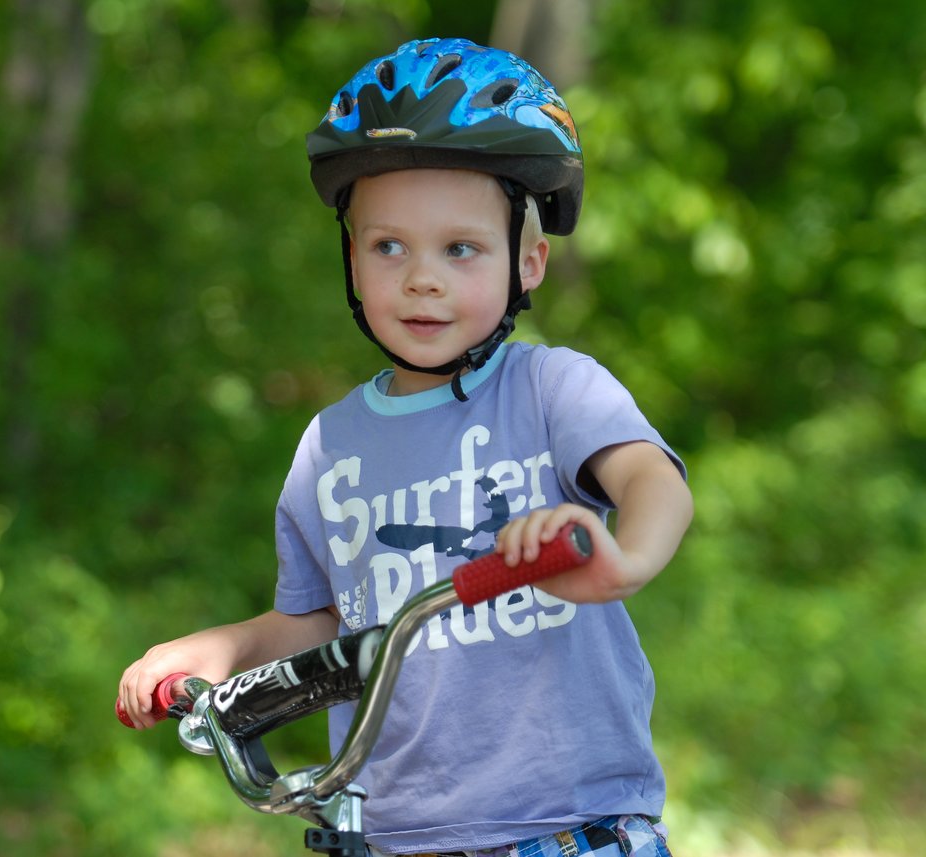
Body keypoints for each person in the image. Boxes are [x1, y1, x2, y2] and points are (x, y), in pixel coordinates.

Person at [119, 37, 693, 857]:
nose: (422, 278)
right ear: (352, 258)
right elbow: (323, 620)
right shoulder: (329, 446)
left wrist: (622, 557)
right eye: (390, 246)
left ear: (528, 261)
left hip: (567, 829)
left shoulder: (552, 389)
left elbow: (653, 482)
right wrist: (222, 648)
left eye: (460, 248)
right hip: (388, 833)